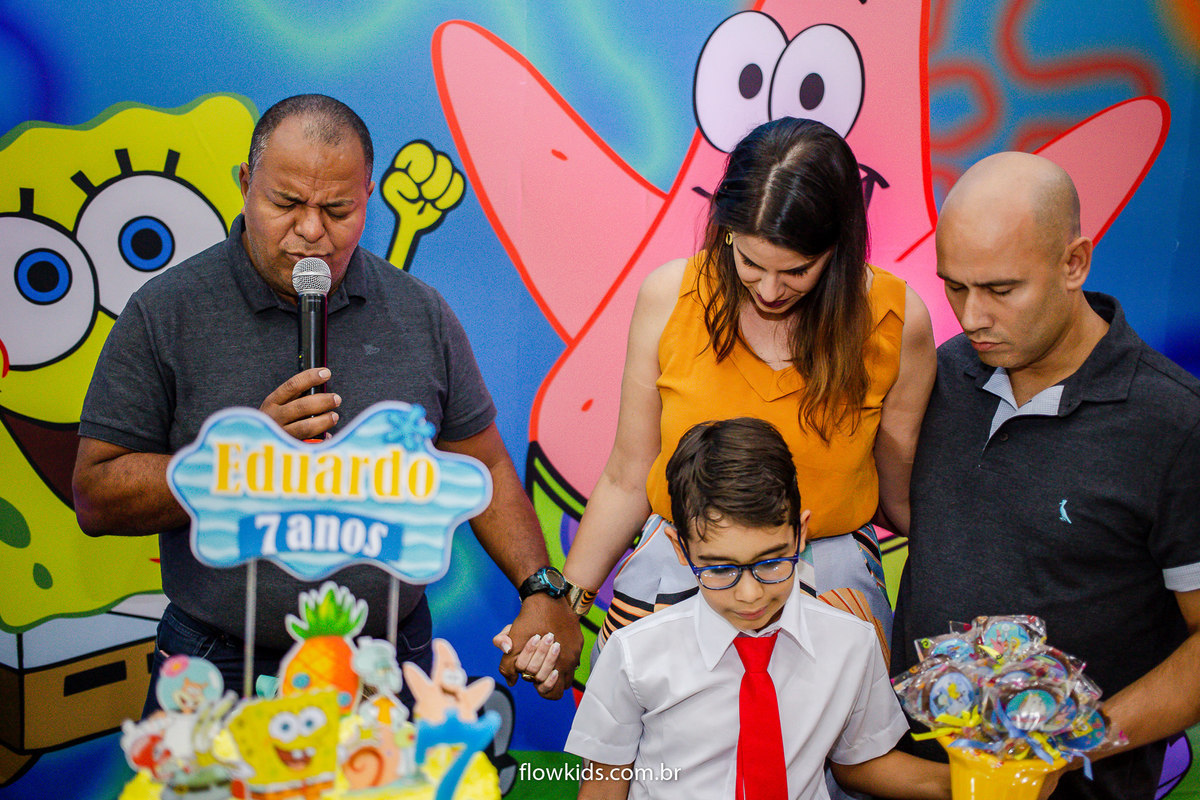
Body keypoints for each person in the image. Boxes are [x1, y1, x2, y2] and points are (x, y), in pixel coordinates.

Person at [72, 94, 582, 710]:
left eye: (337, 209)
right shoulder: (166, 311)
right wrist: (238, 460)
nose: (311, 230)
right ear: (245, 185)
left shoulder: (420, 313)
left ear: (368, 197)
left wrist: (541, 587)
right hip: (218, 661)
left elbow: (487, 465)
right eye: (286, 203)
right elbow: (96, 494)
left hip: (386, 660)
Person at [509, 117, 935, 671]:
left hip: (827, 589)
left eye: (797, 270)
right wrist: (566, 604)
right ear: (727, 230)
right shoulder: (671, 297)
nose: (770, 290)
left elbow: (901, 495)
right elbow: (628, 475)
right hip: (678, 572)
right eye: (751, 262)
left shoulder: (895, 321)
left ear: (839, 248)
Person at [892, 151, 1200, 800]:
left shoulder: (1174, 424)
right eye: (955, 287)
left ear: (1074, 264)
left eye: (1001, 290)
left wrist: (1068, 744)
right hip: (913, 780)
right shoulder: (940, 375)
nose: (971, 317)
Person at [562, 417, 951, 800]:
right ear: (681, 549)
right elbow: (604, 787)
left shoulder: (852, 643)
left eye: (771, 562)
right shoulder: (634, 655)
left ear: (800, 535)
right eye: (720, 569)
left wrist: (972, 779)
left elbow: (861, 762)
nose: (750, 595)